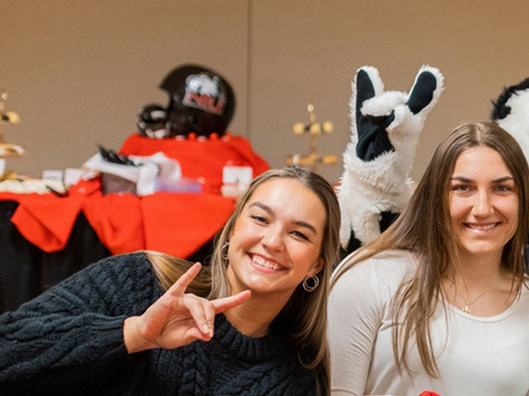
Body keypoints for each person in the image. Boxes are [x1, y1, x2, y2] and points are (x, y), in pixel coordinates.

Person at [0, 166, 340, 394]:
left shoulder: (297, 379)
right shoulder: (139, 280)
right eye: (260, 219)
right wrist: (133, 334)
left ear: (316, 265)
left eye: (299, 234)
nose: (273, 242)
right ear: (232, 228)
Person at [328, 122, 529, 396]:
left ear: (523, 199)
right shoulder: (368, 278)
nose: (482, 208)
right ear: (436, 196)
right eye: (463, 188)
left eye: (502, 188)